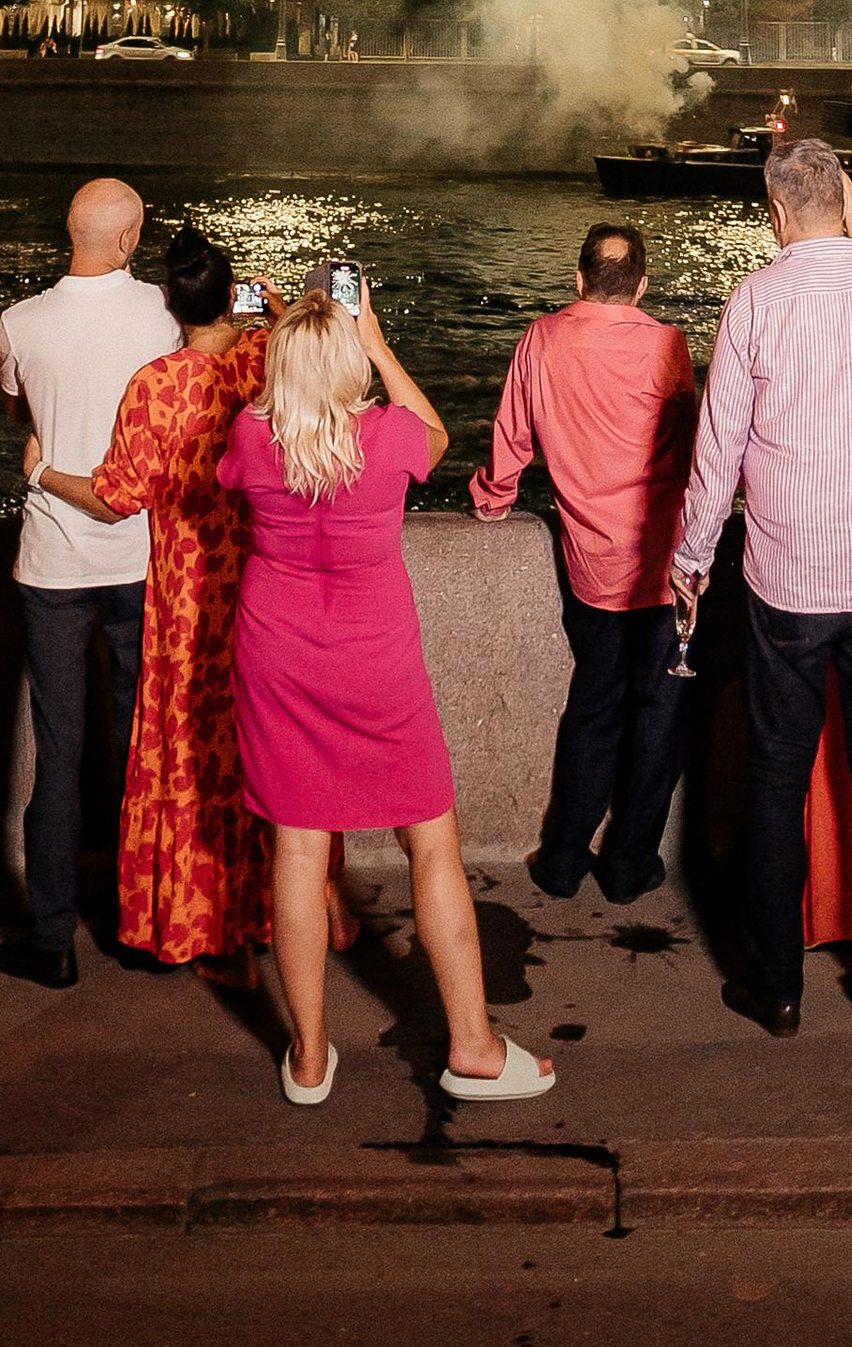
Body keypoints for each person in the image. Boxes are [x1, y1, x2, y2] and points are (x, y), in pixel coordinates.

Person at [219, 279, 552, 1106]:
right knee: (430, 843)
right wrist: (374, 342)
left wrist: (294, 337)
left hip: (279, 653)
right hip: (374, 661)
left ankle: (306, 1054)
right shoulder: (388, 437)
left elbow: (251, 450)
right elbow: (438, 434)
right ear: (347, 362)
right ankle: (471, 1046)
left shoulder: (252, 438)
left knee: (297, 851)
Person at [673, 138, 852, 1039]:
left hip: (787, 578)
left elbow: (717, 448)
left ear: (774, 213)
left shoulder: (756, 300)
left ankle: (776, 986)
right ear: (844, 203)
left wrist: (690, 560)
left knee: (775, 777)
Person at [37, 224, 277, 964]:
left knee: (181, 753)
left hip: (183, 598)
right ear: (228, 293)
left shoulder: (155, 385)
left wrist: (43, 471)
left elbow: (114, 498)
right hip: (256, 583)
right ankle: (258, 913)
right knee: (249, 747)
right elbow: (308, 328)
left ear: (170, 301)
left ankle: (180, 921)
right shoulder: (262, 364)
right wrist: (264, 308)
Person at [470, 219, 698, 908]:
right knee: (658, 713)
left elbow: (512, 439)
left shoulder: (541, 339)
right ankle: (629, 865)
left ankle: (565, 857)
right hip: (663, 562)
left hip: (589, 565)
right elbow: (693, 449)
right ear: (643, 285)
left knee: (594, 706)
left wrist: (493, 496)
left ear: (577, 279)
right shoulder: (668, 345)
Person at [0, 176, 177, 985]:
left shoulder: (19, 323)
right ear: (131, 240)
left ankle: (53, 939)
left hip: (52, 565)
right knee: (144, 749)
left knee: (59, 752)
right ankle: (146, 930)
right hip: (140, 560)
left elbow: (14, 411)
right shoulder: (165, 314)